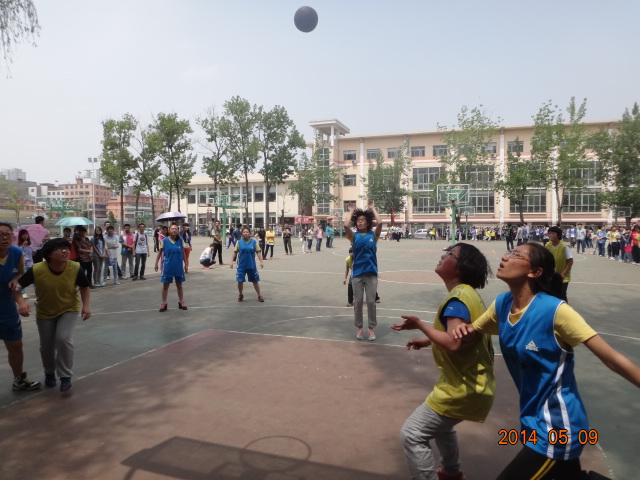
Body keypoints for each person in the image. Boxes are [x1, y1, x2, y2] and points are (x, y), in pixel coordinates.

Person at [453, 243, 640, 479]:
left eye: (516, 254)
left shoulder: (555, 311)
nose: (506, 257)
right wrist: (429, 335)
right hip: (532, 421)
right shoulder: (502, 305)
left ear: (535, 272)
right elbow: (470, 331)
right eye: (509, 252)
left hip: (557, 427)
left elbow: (612, 359)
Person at [391, 243, 495, 480]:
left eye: (450, 254)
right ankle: (451, 472)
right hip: (474, 384)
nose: (442, 256)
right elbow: (463, 335)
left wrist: (420, 325)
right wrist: (429, 341)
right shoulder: (468, 294)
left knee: (412, 433)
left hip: (462, 388)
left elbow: (453, 343)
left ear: (461, 266)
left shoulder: (457, 300)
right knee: (442, 427)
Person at [13, 237, 91, 392]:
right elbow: (17, 287)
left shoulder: (75, 267)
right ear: (49, 254)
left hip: (68, 309)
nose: (65, 251)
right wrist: (21, 302)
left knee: (63, 339)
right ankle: (49, 372)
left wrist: (86, 306)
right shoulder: (38, 269)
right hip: (45, 312)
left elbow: (84, 287)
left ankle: (65, 376)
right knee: (47, 346)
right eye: (59, 249)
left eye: (66, 248)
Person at [0, 223, 41, 391]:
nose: (5, 237)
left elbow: (19, 274)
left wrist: (16, 283)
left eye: (8, 234)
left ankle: (19, 379)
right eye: (0, 234)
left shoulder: (16, 253)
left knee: (16, 346)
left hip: (7, 309)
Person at [343, 201, 382, 341]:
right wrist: (351, 211)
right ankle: (359, 328)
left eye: (363, 220)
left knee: (371, 302)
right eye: (358, 220)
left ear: (368, 223)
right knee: (358, 302)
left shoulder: (373, 235)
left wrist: (372, 208)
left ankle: (371, 329)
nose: (360, 222)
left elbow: (380, 222)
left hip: (371, 274)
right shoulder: (354, 236)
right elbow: (346, 225)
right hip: (357, 274)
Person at [154, 223, 187, 312]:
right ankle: (163, 303)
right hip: (168, 267)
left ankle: (181, 302)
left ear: (178, 230)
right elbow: (160, 252)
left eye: (176, 229)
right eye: (172, 229)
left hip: (178, 267)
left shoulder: (181, 240)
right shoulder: (164, 241)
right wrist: (156, 263)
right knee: (165, 285)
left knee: (179, 285)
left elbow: (183, 253)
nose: (174, 230)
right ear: (169, 230)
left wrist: (186, 264)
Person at [230, 226, 264, 303]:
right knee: (240, 281)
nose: (246, 233)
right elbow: (235, 252)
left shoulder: (254, 242)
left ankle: (259, 295)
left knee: (255, 281)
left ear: (249, 233)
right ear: (242, 233)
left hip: (251, 265)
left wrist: (261, 261)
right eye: (244, 232)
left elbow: (258, 251)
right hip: (241, 266)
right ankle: (240, 294)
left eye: (247, 232)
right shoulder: (239, 242)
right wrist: (231, 261)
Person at [545, 226, 573, 302]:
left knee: (562, 295)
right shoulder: (547, 245)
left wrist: (563, 275)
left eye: (553, 233)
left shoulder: (564, 246)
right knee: (551, 294)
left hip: (563, 276)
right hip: (552, 275)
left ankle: (565, 308)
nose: (551, 235)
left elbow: (570, 261)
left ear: (559, 235)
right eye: (549, 233)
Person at [16, 228, 35, 298]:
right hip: (23, 264)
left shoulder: (30, 244)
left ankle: (37, 290)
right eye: (23, 234)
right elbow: (18, 253)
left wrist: (33, 252)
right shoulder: (18, 245)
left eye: (26, 234)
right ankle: (23, 292)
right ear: (20, 236)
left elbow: (31, 254)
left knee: (34, 277)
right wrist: (23, 246)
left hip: (30, 263)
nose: (25, 236)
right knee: (22, 279)